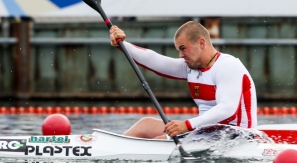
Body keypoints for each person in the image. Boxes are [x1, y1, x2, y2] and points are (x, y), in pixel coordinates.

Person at [109, 21, 257, 139]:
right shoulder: (191, 67)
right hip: (206, 133)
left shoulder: (228, 65)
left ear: (201, 43)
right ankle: (111, 147)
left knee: (161, 140)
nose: (180, 55)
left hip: (236, 138)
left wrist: (187, 125)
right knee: (145, 125)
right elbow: (155, 60)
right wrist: (123, 44)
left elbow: (226, 108)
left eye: (183, 48)